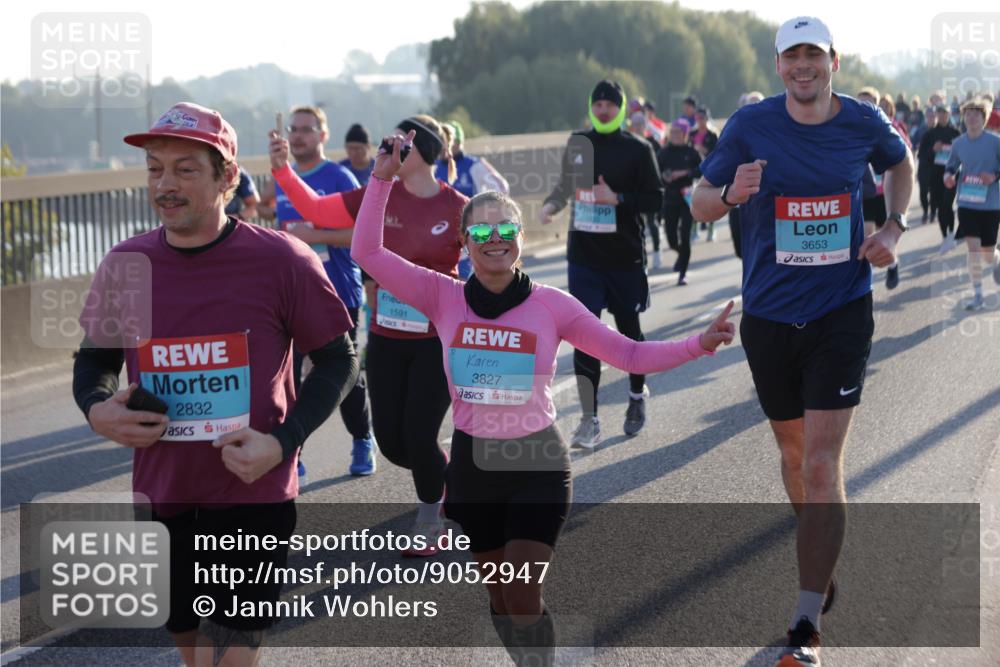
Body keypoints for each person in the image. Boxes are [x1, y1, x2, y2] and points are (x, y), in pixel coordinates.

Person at [354, 131, 735, 666]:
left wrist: (699, 343)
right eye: (480, 229)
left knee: (522, 596)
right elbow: (366, 251)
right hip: (471, 467)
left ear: (520, 237)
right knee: (498, 599)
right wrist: (381, 179)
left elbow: (628, 354)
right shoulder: (439, 296)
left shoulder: (552, 306)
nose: (494, 237)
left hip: (537, 463)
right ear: (464, 243)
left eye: (504, 227)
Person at [72, 102, 359, 667]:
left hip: (254, 490)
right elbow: (94, 361)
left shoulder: (283, 261)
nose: (165, 184)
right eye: (155, 168)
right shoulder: (125, 264)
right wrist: (96, 408)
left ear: (227, 177)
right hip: (162, 489)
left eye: (185, 169)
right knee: (187, 642)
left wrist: (283, 442)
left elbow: (338, 361)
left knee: (231, 656)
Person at [692, 17, 912, 667]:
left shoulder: (865, 123)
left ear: (834, 61)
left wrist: (894, 227)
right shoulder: (750, 126)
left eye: (814, 53)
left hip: (841, 311)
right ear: (778, 65)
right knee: (793, 458)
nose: (804, 65)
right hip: (768, 318)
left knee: (821, 464)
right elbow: (700, 199)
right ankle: (820, 551)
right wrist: (731, 193)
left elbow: (903, 166)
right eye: (793, 56)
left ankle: (806, 621)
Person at [269, 114, 466, 556]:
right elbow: (317, 211)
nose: (388, 150)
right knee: (395, 445)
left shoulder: (457, 206)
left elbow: (492, 257)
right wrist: (283, 170)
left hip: (436, 340)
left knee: (419, 434)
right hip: (387, 336)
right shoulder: (379, 194)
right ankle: (450, 478)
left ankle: (430, 522)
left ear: (424, 152)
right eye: (386, 143)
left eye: (399, 144)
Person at [539, 79, 663, 446]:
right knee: (585, 337)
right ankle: (589, 419)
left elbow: (655, 199)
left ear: (621, 109)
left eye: (610, 104)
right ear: (591, 107)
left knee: (628, 333)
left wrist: (619, 198)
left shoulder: (638, 149)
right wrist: (551, 204)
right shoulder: (579, 143)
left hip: (624, 257)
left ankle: (637, 397)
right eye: (598, 104)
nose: (604, 110)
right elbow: (566, 184)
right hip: (584, 259)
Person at [270, 105, 376, 477]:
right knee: (289, 376)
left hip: (338, 293)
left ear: (323, 136)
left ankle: (362, 438)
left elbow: (361, 235)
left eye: (307, 129)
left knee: (342, 375)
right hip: (294, 295)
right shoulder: (283, 180)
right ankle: (293, 451)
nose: (298, 135)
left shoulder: (339, 176)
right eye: (294, 129)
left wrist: (315, 236)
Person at [943, 98, 1000, 310]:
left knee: (987, 252)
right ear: (963, 117)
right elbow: (951, 166)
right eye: (968, 113)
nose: (971, 116)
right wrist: (948, 177)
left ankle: (996, 260)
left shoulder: (995, 142)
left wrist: (994, 176)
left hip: (992, 205)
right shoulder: (958, 143)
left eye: (976, 113)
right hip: (967, 203)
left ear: (984, 118)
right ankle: (978, 295)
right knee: (973, 249)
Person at [436, 119, 510, 279]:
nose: (443, 146)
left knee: (465, 283)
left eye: (447, 141)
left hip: (468, 235)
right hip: (440, 235)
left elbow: (501, 188)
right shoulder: (432, 166)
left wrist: (486, 215)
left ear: (458, 142)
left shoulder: (474, 165)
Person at [857, 88, 902, 290]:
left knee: (885, 238)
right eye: (860, 103)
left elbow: (904, 157)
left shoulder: (887, 129)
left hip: (885, 195)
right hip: (865, 194)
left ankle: (893, 265)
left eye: (869, 103)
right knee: (867, 236)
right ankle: (869, 279)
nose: (863, 108)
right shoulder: (850, 131)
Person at [658, 119, 702, 285]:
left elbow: (702, 169)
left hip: (687, 198)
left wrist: (684, 173)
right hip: (670, 198)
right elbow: (655, 170)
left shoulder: (691, 152)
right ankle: (681, 254)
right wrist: (664, 176)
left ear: (685, 134)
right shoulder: (664, 152)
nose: (674, 135)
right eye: (672, 132)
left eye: (677, 132)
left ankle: (682, 272)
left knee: (685, 235)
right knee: (671, 238)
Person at [921, 105, 962, 251]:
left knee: (947, 205)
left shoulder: (956, 133)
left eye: (945, 113)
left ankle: (951, 234)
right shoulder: (930, 134)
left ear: (949, 114)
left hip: (951, 175)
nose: (943, 115)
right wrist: (933, 150)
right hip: (935, 175)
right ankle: (944, 236)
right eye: (940, 113)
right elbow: (922, 156)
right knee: (939, 207)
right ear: (937, 114)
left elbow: (963, 155)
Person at [629, 112, 667, 269]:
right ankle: (642, 257)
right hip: (633, 189)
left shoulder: (653, 143)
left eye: (640, 124)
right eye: (635, 124)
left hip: (650, 188)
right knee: (638, 225)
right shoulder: (628, 143)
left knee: (652, 222)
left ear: (645, 126)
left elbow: (661, 163)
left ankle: (657, 251)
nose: (638, 127)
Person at [914, 107, 937, 223]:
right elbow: (912, 144)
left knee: (934, 191)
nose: (931, 118)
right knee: (923, 191)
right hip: (923, 164)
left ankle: (933, 212)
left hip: (936, 166)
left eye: (933, 116)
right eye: (929, 116)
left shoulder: (939, 130)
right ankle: (925, 212)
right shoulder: (920, 130)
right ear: (925, 117)